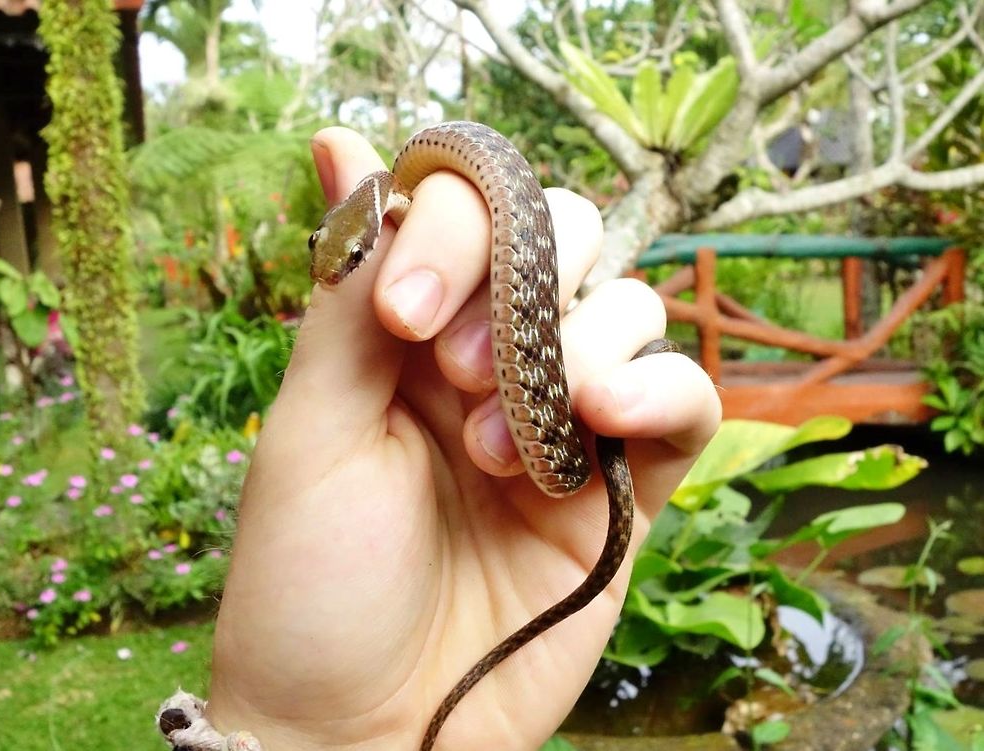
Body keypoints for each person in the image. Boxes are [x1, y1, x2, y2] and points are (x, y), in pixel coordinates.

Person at [199, 127, 721, 750]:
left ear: (369, 234)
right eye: (326, 248)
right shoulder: (382, 209)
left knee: (594, 389)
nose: (333, 269)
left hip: (554, 490)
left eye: (354, 256)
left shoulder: (415, 183)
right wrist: (298, 731)